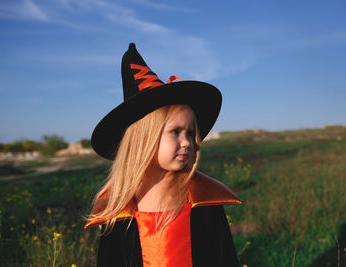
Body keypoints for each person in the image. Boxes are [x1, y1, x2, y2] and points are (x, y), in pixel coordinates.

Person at [85, 43, 241, 267]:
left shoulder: (205, 200)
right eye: (175, 132)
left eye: (190, 132)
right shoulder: (119, 212)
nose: (187, 141)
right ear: (143, 140)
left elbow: (225, 258)